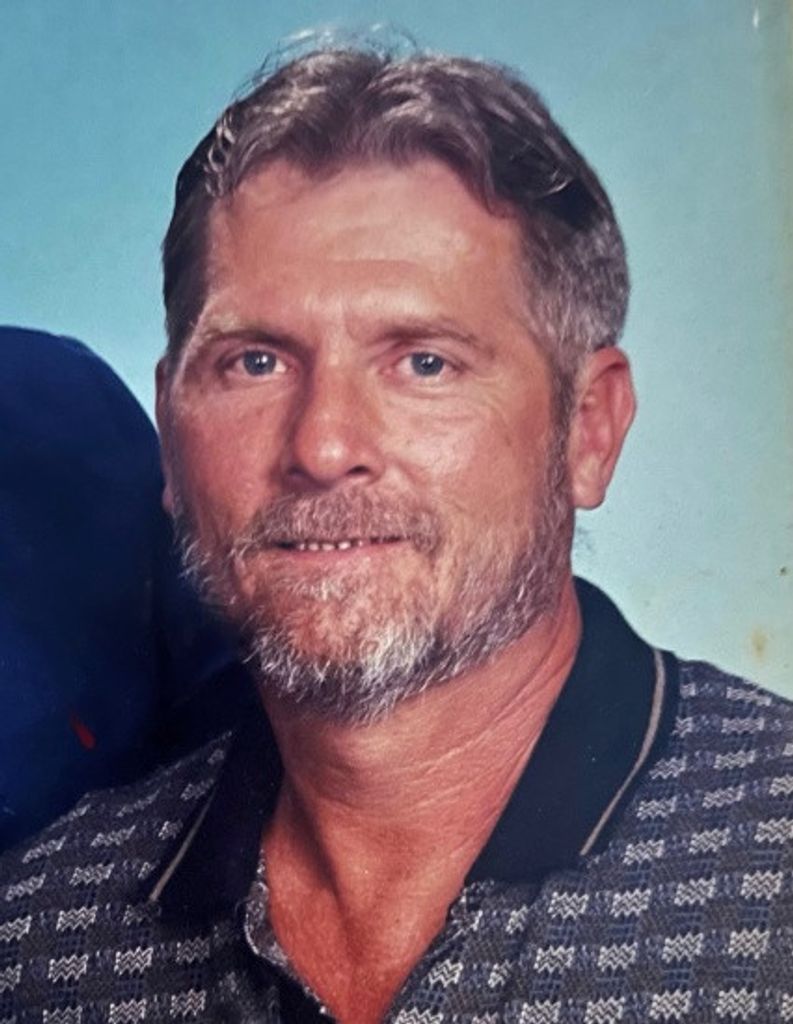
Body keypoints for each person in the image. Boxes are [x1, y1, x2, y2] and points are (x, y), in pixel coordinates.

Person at [2, 46, 791, 1023]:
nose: (324, 445)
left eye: (424, 362)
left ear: (587, 429)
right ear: (168, 431)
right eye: (254, 362)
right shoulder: (39, 945)